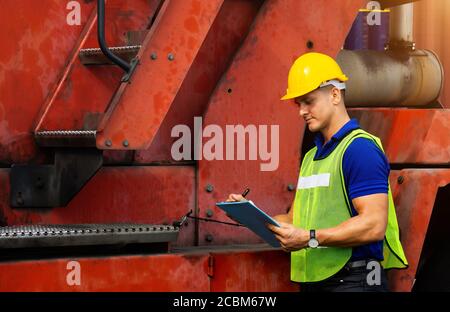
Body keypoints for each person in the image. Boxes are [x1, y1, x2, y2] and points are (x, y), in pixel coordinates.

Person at [227, 52, 408, 292]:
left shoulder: (359, 149)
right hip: (319, 282)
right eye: (298, 104)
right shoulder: (312, 157)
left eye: (308, 101)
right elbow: (294, 222)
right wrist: (248, 215)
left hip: (356, 281)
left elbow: (373, 224)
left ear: (334, 94)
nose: (302, 111)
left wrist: (310, 237)